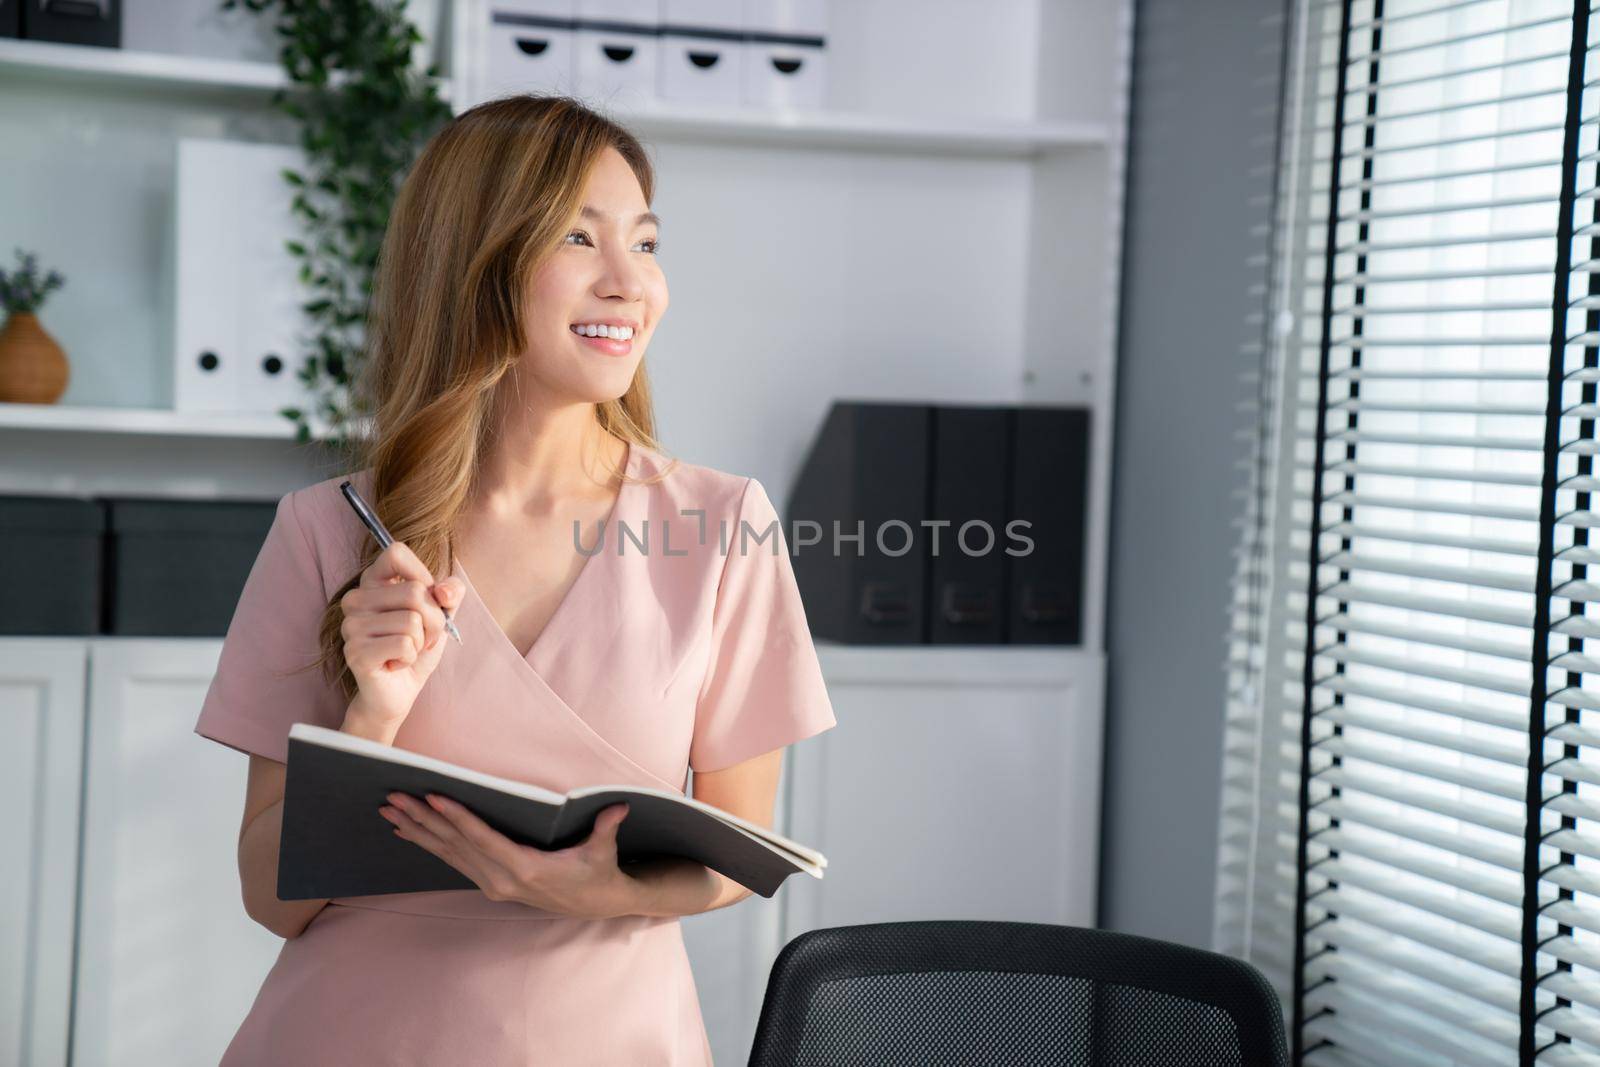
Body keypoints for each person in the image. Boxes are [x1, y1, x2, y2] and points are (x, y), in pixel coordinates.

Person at [192, 93, 837, 1065]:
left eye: (645, 242)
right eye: (580, 238)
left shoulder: (719, 526)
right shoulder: (327, 530)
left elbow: (739, 853)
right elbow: (269, 901)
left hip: (613, 1034)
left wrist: (602, 892)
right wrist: (369, 718)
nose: (631, 283)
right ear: (475, 263)